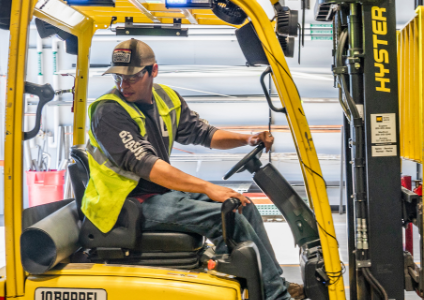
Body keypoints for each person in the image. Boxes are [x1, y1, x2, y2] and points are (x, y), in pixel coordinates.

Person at [82, 38, 302, 300]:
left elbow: (204, 133)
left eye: (131, 77)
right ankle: (276, 297)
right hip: (124, 205)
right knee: (222, 218)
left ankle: (272, 285)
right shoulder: (109, 112)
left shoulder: (165, 99)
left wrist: (247, 138)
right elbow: (149, 166)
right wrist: (209, 188)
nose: (123, 84)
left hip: (157, 195)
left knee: (243, 205)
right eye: (118, 77)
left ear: (153, 70)